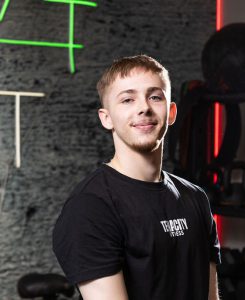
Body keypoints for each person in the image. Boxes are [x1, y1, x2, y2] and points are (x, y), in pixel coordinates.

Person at [52, 54, 221, 300]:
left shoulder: (195, 198)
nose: (144, 107)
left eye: (155, 96)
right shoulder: (90, 207)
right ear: (106, 118)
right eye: (127, 99)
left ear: (171, 112)